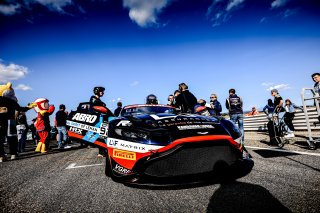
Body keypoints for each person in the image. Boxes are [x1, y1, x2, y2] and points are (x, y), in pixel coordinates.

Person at [0, 82, 33, 162]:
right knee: (12, 138)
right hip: (10, 121)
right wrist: (29, 107)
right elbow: (20, 109)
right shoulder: (11, 101)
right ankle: (13, 154)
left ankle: (1, 156)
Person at [89, 86, 113, 157]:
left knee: (103, 135)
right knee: (101, 135)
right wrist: (102, 104)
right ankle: (101, 152)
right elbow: (95, 102)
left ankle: (103, 151)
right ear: (97, 91)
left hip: (101, 119)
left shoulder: (99, 100)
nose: (103, 92)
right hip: (96, 120)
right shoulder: (93, 98)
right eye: (101, 91)